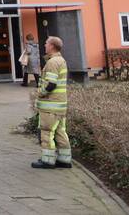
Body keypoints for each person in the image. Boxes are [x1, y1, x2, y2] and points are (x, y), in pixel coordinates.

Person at [32, 36, 71, 169]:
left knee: (47, 132)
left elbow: (51, 85)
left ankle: (47, 161)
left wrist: (40, 93)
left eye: (46, 43)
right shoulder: (61, 60)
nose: (44, 45)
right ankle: (64, 160)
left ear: (52, 46)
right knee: (60, 132)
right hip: (59, 105)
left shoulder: (52, 62)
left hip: (50, 106)